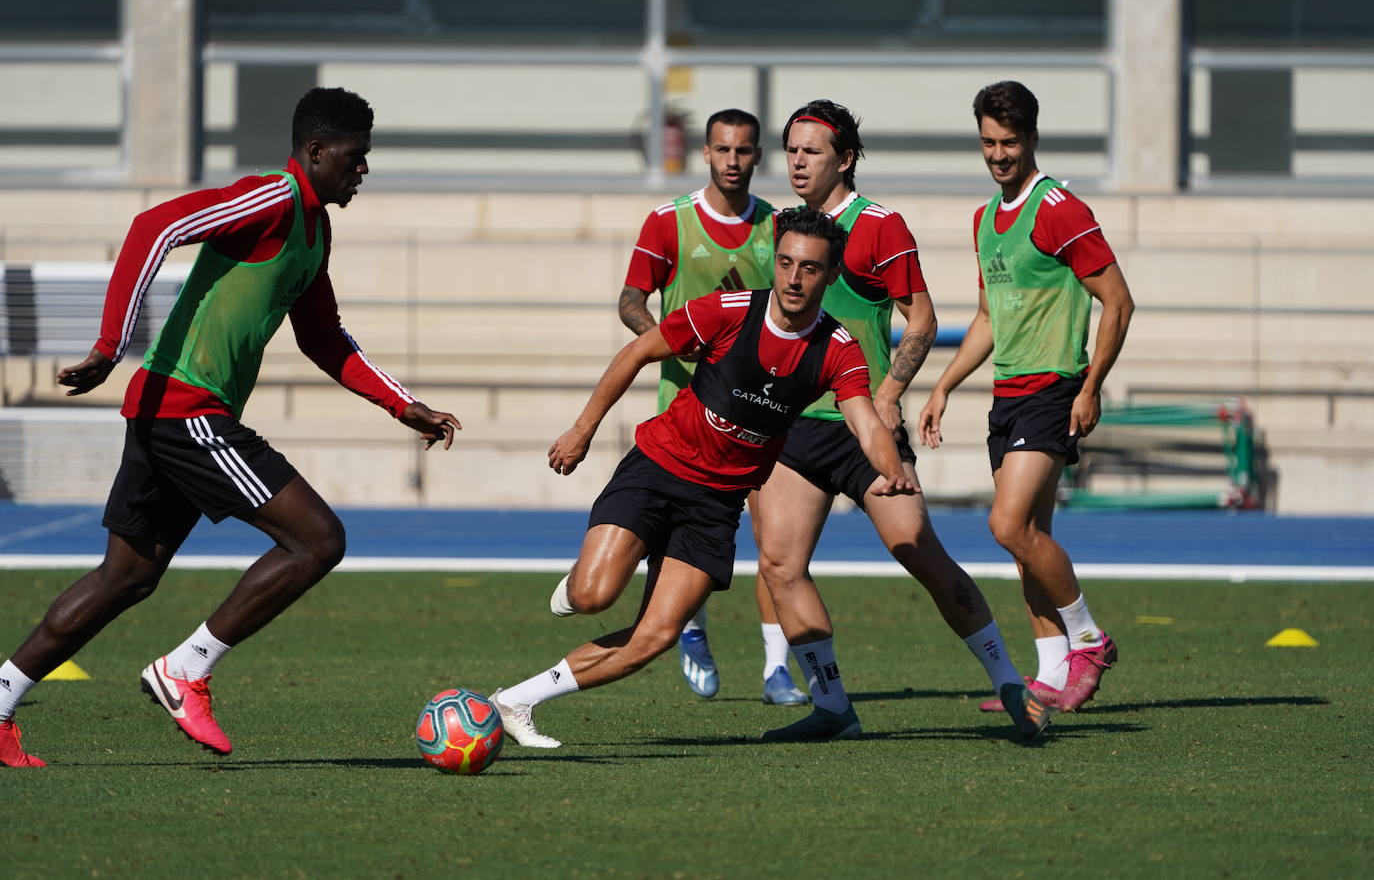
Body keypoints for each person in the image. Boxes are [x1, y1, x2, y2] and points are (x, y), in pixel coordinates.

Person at [0, 87, 461, 768]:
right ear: (316, 152)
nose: (363, 170)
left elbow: (323, 335)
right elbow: (155, 226)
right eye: (356, 157)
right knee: (317, 540)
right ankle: (186, 668)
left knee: (125, 578)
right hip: (185, 410)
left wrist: (402, 405)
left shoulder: (315, 231)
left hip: (171, 413)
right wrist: (109, 345)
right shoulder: (272, 197)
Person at [491, 207, 914, 748]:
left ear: (830, 275)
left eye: (809, 268)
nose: (793, 278)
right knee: (594, 596)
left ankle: (516, 700)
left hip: (716, 503)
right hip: (658, 467)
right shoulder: (728, 311)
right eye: (785, 263)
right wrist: (582, 429)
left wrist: (893, 470)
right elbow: (639, 351)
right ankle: (580, 584)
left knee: (655, 637)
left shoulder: (837, 349)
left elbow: (866, 423)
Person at [751, 99, 1050, 742]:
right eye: (792, 151)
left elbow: (922, 319)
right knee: (779, 565)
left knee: (918, 551)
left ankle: (1009, 682)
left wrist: (889, 393)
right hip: (790, 427)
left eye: (813, 151)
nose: (798, 162)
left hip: (864, 425)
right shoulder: (781, 226)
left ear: (846, 159)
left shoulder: (880, 226)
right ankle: (832, 707)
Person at [917, 80, 1134, 714]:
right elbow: (988, 316)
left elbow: (1117, 300)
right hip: (1007, 396)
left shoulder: (1060, 208)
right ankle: (1049, 672)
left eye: (1009, 142)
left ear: (1032, 138)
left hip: (1053, 388)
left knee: (1007, 525)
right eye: (988, 142)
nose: (998, 154)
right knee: (1027, 541)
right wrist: (944, 386)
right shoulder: (985, 219)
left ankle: (1088, 640)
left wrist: (1091, 384)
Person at [619, 108, 806, 707]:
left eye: (744, 151)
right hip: (687, 410)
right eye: (722, 149)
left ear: (757, 157)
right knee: (682, 533)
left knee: (773, 540)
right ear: (705, 153)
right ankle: (691, 626)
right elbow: (630, 298)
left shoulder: (779, 228)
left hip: (761, 412)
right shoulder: (669, 221)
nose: (733, 160)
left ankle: (777, 668)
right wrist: (667, 338)